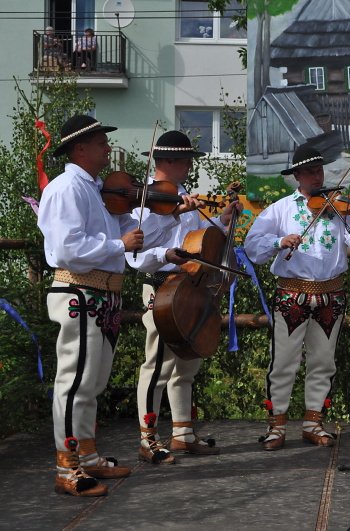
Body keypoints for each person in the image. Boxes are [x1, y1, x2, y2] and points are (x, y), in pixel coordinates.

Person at [38, 115, 202, 496]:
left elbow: (136, 237)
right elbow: (66, 250)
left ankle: (88, 457)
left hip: (102, 294)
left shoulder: (98, 190)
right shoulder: (67, 188)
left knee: (92, 383)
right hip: (79, 291)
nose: (108, 149)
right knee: (75, 382)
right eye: (100, 143)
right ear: (80, 148)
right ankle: (67, 467)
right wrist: (118, 245)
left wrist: (169, 216)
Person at [243, 143, 350, 450]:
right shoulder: (281, 209)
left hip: (332, 293)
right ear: (297, 176)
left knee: (323, 361)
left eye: (318, 170)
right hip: (292, 293)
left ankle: (313, 422)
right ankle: (276, 425)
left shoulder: (339, 208)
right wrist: (279, 241)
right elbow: (253, 247)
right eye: (308, 171)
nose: (316, 176)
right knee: (284, 361)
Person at [126, 130, 241, 464]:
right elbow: (138, 253)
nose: (191, 164)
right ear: (171, 161)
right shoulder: (144, 199)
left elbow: (196, 241)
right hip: (162, 285)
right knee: (158, 364)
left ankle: (182, 434)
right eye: (187, 159)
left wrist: (221, 222)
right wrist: (171, 221)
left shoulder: (183, 193)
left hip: (190, 287)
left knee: (187, 364)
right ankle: (148, 439)